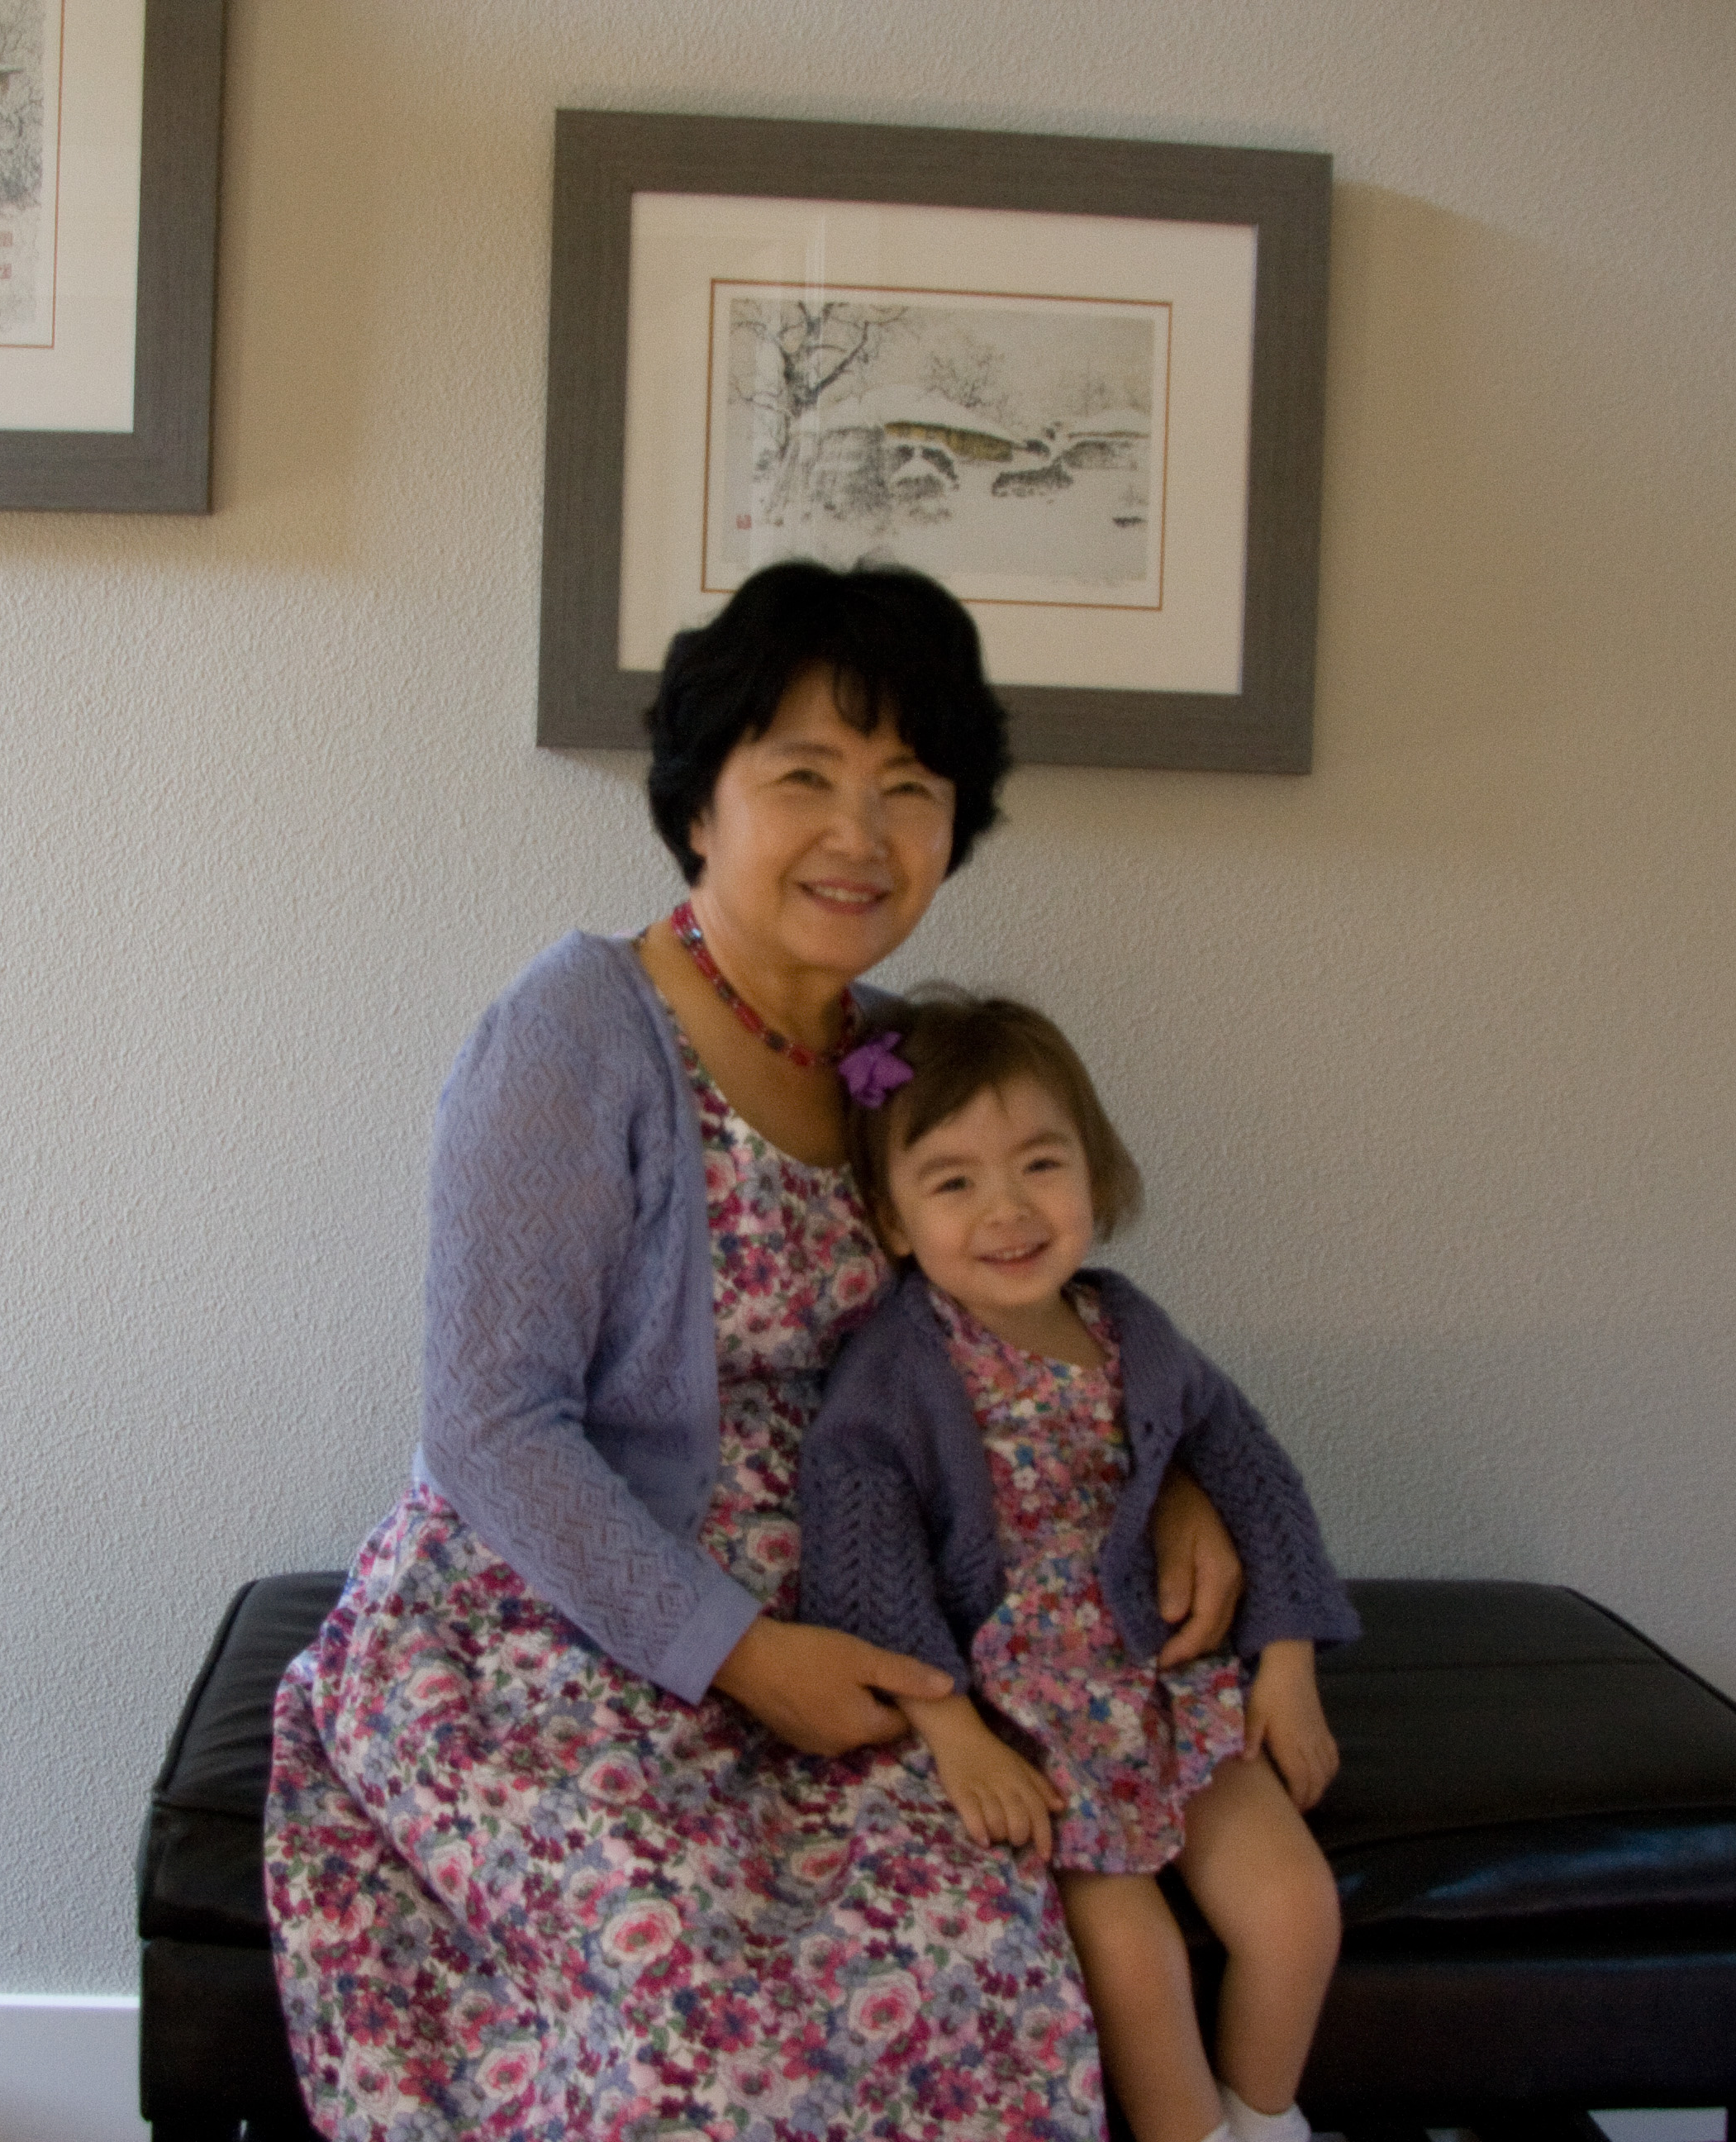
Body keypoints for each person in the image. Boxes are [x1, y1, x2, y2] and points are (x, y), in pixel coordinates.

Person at [260, 559, 1253, 2140]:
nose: (861, 833)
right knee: (705, 2036)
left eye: (909, 789)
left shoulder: (903, 1070)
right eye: (804, 776)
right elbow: (491, 1426)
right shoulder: (577, 1027)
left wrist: (1172, 1483)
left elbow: (1035, 1326)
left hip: (873, 1625)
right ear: (700, 804)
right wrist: (739, 1653)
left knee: (974, 1971)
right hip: (556, 1629)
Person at [800, 989, 1361, 2142]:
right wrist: (954, 1734)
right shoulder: (896, 1376)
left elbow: (1254, 1474)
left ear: (1095, 1176)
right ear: (892, 1221)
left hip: (1173, 1685)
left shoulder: (1131, 1331)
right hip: (1030, 1728)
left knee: (1297, 1909)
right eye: (954, 1182)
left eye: (1041, 1166)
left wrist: (1289, 1663)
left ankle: (1265, 2122)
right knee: (1135, 1962)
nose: (1007, 1210)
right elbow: (868, 1572)